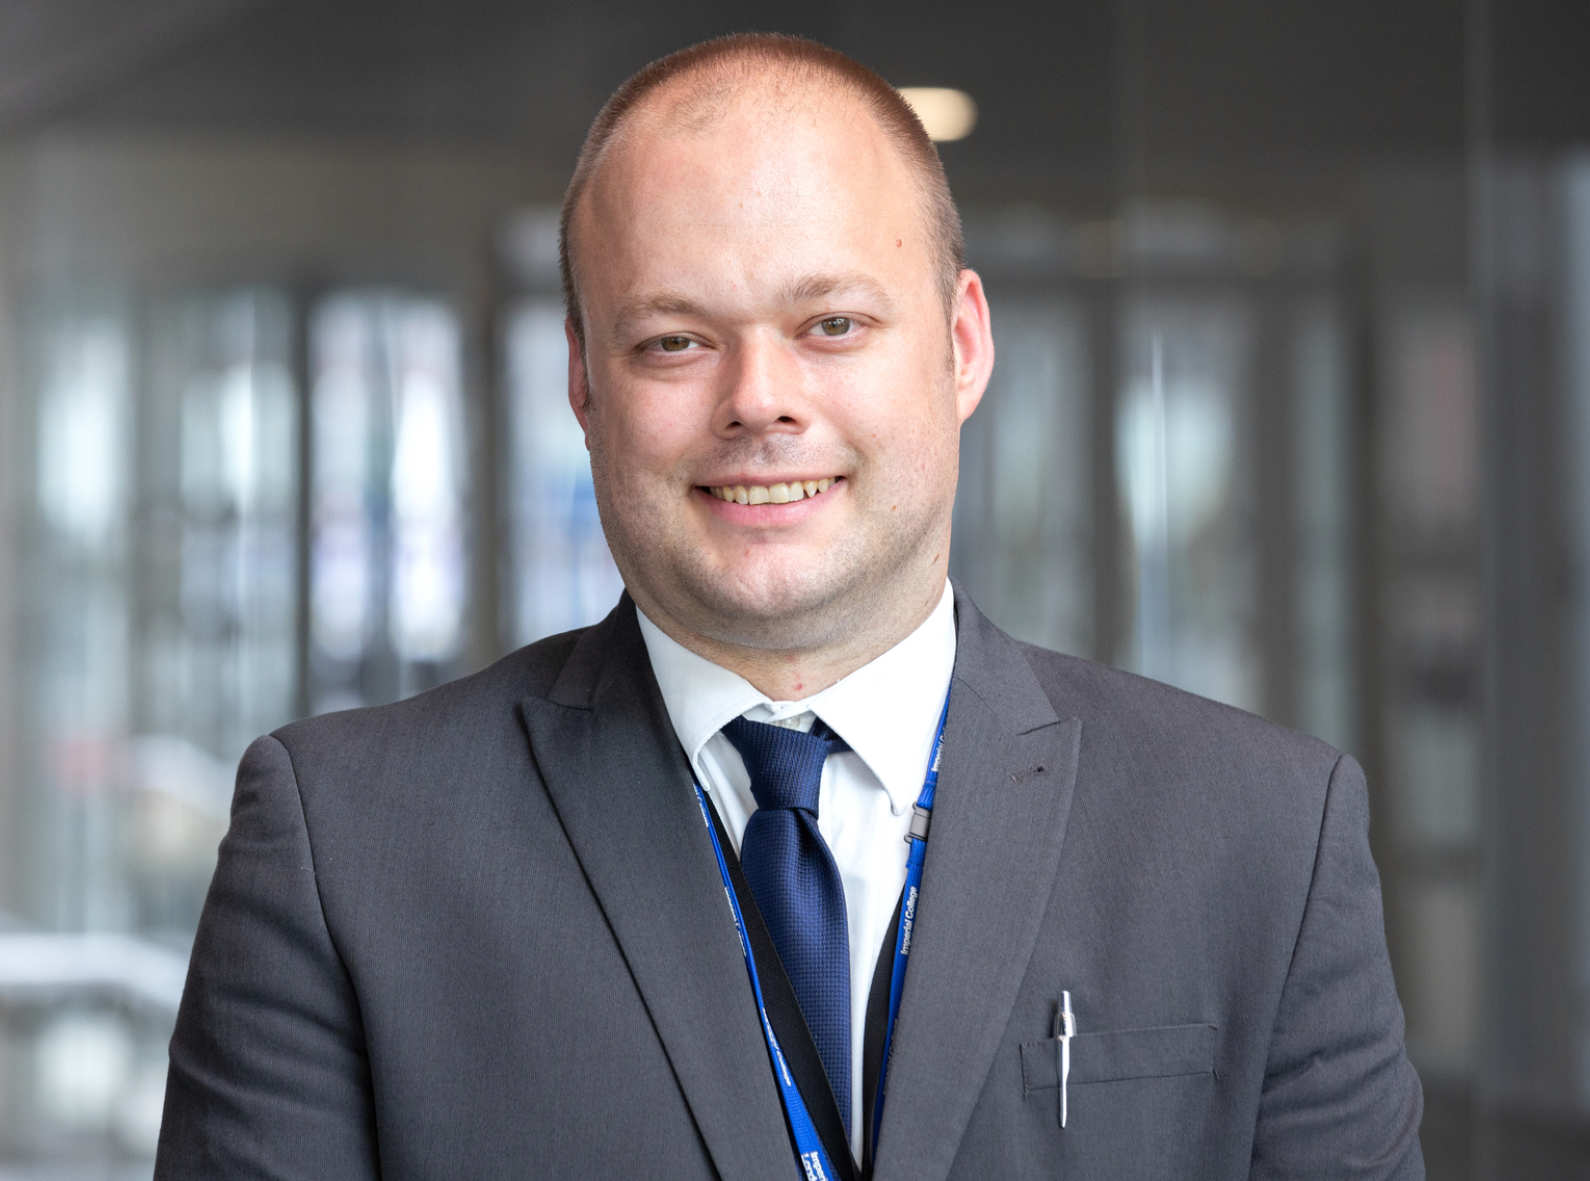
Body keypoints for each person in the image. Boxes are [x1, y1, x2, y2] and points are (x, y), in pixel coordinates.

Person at [156, 32, 1424, 1180]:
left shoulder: (1259, 834)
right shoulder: (344, 850)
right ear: (583, 385)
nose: (759, 399)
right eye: (672, 340)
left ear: (960, 344)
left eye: (830, 321)